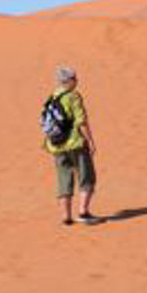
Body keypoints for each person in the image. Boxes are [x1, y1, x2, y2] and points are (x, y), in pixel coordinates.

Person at [41, 66, 99, 225]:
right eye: (75, 78)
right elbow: (81, 121)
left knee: (63, 178)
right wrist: (91, 141)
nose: (77, 81)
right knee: (87, 176)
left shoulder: (52, 97)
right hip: (75, 143)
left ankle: (66, 216)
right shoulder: (73, 96)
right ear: (69, 81)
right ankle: (83, 212)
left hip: (56, 145)